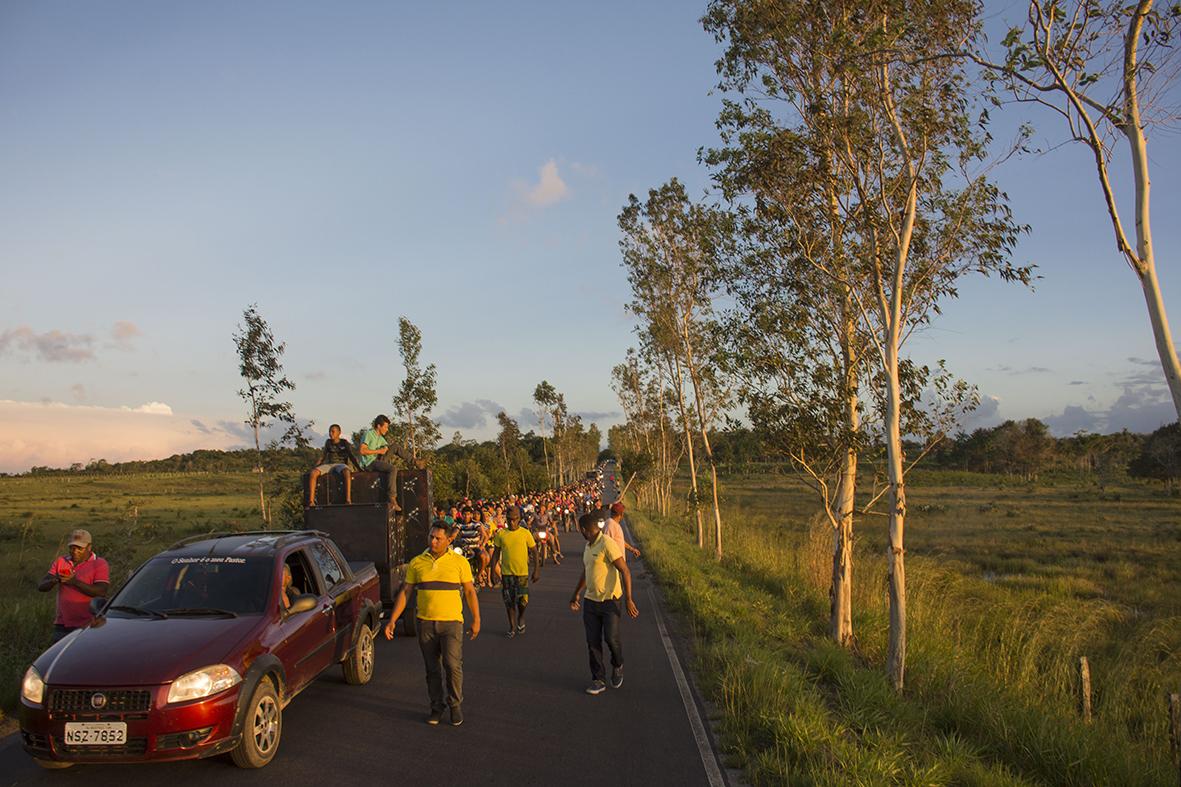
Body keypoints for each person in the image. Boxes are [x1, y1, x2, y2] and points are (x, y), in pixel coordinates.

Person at [383, 522, 480, 726]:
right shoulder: (417, 563)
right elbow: (406, 592)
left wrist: (476, 619)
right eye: (431, 537)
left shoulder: (459, 562)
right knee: (432, 668)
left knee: (452, 665)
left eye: (438, 538)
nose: (433, 541)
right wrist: (392, 620)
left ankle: (455, 705)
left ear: (447, 540)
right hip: (426, 623)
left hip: (452, 622)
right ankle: (436, 707)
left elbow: (470, 592)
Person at [569, 511, 639, 695]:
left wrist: (629, 599)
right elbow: (587, 572)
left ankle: (618, 663)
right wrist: (576, 593)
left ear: (584, 529)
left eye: (579, 528)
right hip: (591, 602)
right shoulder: (588, 546)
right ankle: (598, 679)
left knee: (611, 638)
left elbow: (625, 571)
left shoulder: (607, 543)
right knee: (592, 642)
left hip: (610, 601)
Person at [37, 529, 110, 642]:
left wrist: (74, 582)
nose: (74, 551)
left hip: (89, 624)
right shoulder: (61, 561)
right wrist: (55, 580)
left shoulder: (99, 563)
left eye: (79, 548)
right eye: (72, 547)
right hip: (62, 624)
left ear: (89, 547)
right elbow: (41, 586)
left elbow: (101, 591)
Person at [489, 505, 539, 637]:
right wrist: (493, 572)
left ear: (519, 519)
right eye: (510, 519)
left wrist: (536, 570)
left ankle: (521, 617)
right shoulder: (501, 534)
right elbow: (495, 554)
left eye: (515, 519)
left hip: (522, 573)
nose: (512, 522)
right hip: (506, 574)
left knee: (523, 601)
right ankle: (512, 626)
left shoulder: (525, 533)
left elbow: (534, 551)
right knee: (509, 601)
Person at [308, 423, 361, 506]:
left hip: (341, 464)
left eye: (333, 431)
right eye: (329, 431)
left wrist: (359, 468)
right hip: (330, 464)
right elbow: (322, 457)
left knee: (347, 472)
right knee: (313, 473)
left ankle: (348, 499)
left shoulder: (344, 443)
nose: (330, 433)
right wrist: (315, 467)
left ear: (339, 433)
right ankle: (311, 501)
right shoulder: (328, 442)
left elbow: (351, 456)